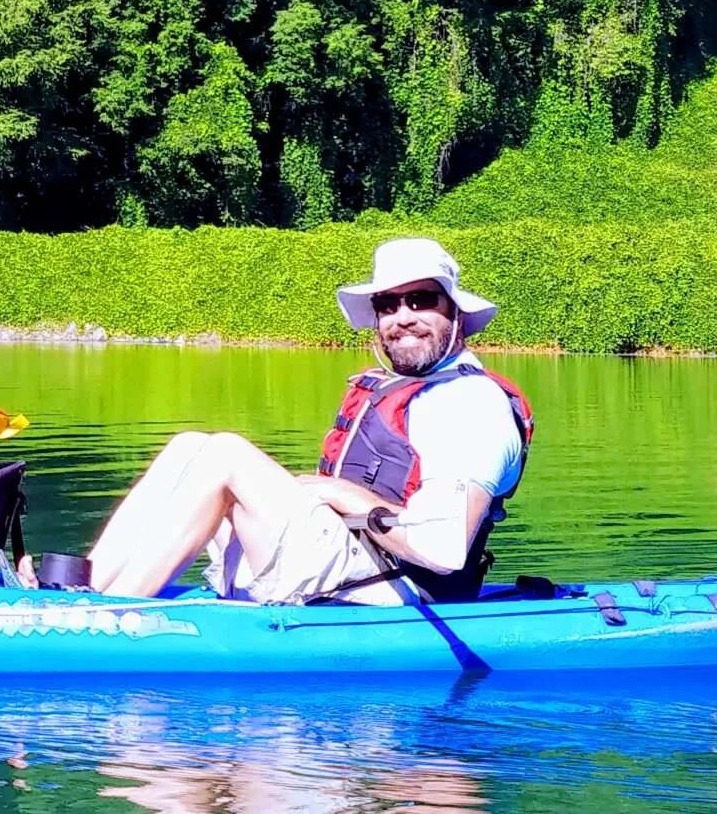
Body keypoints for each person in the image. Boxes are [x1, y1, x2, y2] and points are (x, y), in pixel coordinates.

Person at [87, 237, 533, 604]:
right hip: (352, 562)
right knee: (189, 446)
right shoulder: (410, 388)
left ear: (456, 314)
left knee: (224, 454)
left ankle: (113, 615)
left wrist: (340, 493)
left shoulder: (471, 405)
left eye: (421, 300)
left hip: (400, 587)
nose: (402, 318)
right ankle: (83, 589)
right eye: (387, 305)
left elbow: (442, 549)